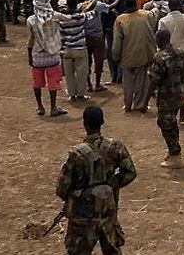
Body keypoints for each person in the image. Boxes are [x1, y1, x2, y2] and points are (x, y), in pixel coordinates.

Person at [56, 105, 136, 255]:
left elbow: (61, 188)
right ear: (102, 122)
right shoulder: (116, 147)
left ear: (84, 123)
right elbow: (130, 172)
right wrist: (112, 185)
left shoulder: (77, 154)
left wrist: (77, 194)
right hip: (107, 212)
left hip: (82, 216)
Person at [147, 29, 184, 168]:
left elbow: (154, 80)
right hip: (179, 94)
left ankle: (175, 153)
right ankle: (173, 152)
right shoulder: (180, 53)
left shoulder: (160, 57)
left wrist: (145, 100)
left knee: (165, 124)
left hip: (166, 96)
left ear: (159, 40)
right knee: (172, 124)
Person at [27, 0, 70, 117]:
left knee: (37, 82)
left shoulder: (31, 20)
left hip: (37, 55)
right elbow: (69, 18)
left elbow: (30, 40)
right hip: (52, 55)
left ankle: (40, 107)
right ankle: (53, 107)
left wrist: (29, 56)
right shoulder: (54, 16)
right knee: (53, 81)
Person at [112, 0, 157, 113]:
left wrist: (116, 56)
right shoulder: (146, 15)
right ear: (137, 4)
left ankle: (127, 104)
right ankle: (139, 104)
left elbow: (117, 41)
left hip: (126, 56)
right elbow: (151, 31)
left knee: (127, 83)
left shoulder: (121, 19)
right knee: (141, 82)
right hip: (142, 55)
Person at [157, 0, 184, 122]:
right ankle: (182, 115)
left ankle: (173, 113)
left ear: (169, 6)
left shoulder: (164, 20)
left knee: (171, 86)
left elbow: (159, 37)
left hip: (169, 56)